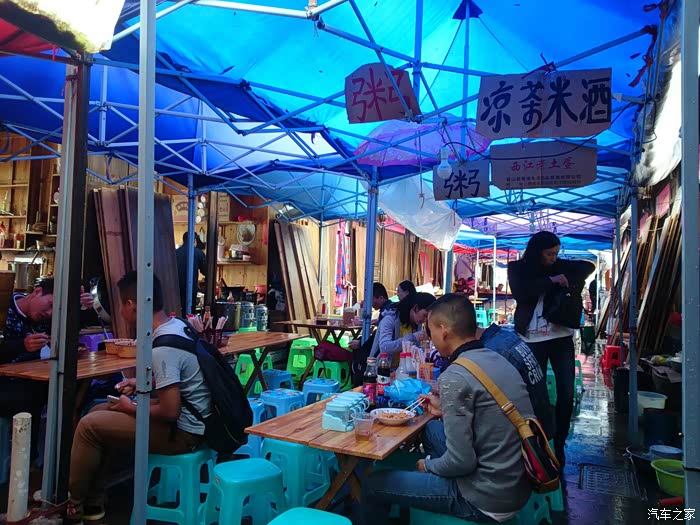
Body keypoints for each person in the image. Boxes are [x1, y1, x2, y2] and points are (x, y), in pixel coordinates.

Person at [362, 294, 533, 524]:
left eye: (430, 329)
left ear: (444, 331)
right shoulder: (496, 359)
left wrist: (427, 465)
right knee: (432, 429)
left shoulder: (455, 375)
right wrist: (445, 410)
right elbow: (489, 415)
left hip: (484, 497)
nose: (429, 337)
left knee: (374, 484)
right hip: (516, 485)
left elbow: (461, 462)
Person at [66, 272, 212, 523]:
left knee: (88, 426)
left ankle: (74, 506)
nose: (120, 312)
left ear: (132, 305)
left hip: (185, 434)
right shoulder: (178, 326)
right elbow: (178, 382)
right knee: (96, 411)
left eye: (121, 305)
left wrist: (130, 408)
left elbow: (170, 411)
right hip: (196, 421)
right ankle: (93, 502)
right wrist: (143, 384)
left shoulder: (163, 345)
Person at [507, 231, 594, 466]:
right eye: (549, 254)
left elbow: (587, 267)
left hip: (561, 337)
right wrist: (552, 280)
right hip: (532, 339)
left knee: (566, 391)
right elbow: (521, 292)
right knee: (536, 393)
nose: (553, 258)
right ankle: (539, 439)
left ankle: (560, 442)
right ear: (537, 252)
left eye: (556, 253)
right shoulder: (518, 269)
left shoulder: (559, 265)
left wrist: (562, 276)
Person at [0, 278, 94, 455]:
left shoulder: (46, 320)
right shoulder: (5, 308)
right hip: (6, 383)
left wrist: (82, 310)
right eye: (50, 304)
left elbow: (68, 331)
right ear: (37, 291)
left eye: (55, 309)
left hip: (29, 379)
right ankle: (28, 457)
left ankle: (58, 454)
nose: (50, 313)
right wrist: (22, 345)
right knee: (31, 396)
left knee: (74, 390)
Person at [369, 292, 435, 360]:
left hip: (405, 366)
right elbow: (384, 347)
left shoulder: (417, 324)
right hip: (383, 365)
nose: (425, 320)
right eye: (425, 315)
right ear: (416, 308)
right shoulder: (390, 319)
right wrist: (413, 337)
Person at [348, 282, 394, 351]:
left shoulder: (386, 312)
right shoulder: (388, 308)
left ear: (381, 298)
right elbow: (378, 322)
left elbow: (378, 337)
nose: (371, 304)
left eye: (371, 300)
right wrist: (363, 322)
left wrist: (360, 343)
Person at [175, 231, 207, 316]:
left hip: (175, 289)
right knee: (190, 315)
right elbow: (206, 271)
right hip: (191, 288)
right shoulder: (198, 253)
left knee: (177, 313)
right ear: (195, 241)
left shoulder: (175, 253)